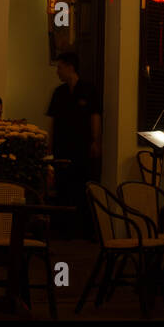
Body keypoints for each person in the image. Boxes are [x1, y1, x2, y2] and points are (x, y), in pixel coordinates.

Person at [46, 51, 103, 237]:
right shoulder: (59, 92)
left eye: (59, 67)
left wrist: (95, 141)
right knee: (63, 187)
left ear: (70, 67)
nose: (57, 72)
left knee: (82, 186)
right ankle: (64, 229)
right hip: (62, 147)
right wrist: (49, 145)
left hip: (82, 147)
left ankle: (85, 229)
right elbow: (53, 121)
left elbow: (95, 116)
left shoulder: (89, 89)